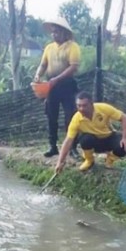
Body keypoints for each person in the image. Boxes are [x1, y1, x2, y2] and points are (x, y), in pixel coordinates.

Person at [33, 17, 80, 158]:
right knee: (51, 116)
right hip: (51, 87)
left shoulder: (73, 47)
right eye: (53, 32)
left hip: (67, 86)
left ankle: (72, 148)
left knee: (70, 117)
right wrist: (37, 76)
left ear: (65, 32)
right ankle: (53, 146)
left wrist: (57, 79)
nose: (54, 34)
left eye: (57, 32)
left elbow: (73, 67)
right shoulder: (49, 47)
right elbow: (43, 65)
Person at [54, 91, 126, 174]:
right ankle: (89, 160)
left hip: (108, 137)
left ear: (91, 104)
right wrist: (60, 162)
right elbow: (68, 141)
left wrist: (125, 138)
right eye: (79, 106)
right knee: (85, 139)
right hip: (94, 142)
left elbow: (125, 118)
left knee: (123, 147)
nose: (81, 109)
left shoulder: (103, 108)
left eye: (84, 105)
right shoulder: (76, 119)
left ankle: (110, 159)